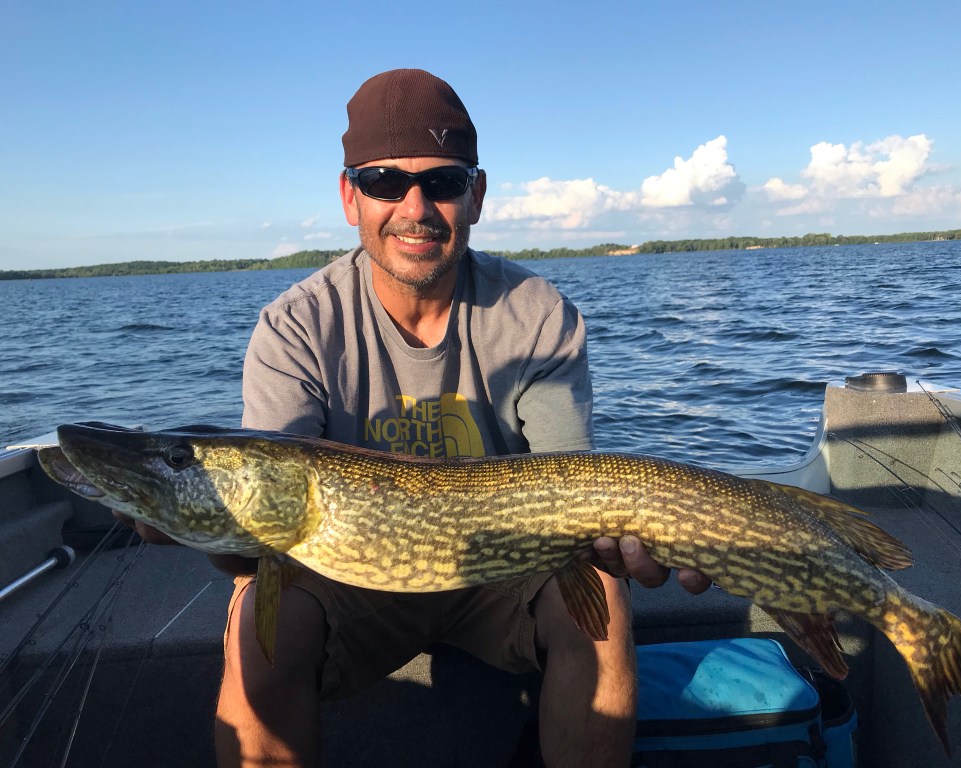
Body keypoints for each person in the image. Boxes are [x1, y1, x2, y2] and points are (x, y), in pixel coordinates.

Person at [125, 68, 708, 768]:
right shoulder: (296, 326)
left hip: (509, 565)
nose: (415, 207)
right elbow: (260, 536)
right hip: (347, 574)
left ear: (476, 195)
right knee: (258, 618)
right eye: (382, 181)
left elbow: (573, 495)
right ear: (350, 196)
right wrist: (193, 518)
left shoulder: (536, 314)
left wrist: (620, 543)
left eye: (443, 182)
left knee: (603, 601)